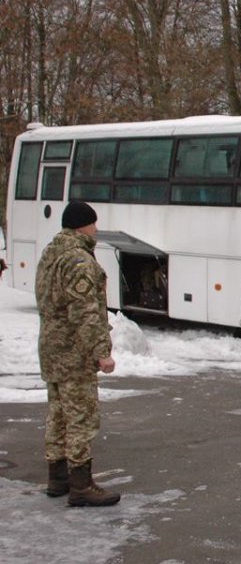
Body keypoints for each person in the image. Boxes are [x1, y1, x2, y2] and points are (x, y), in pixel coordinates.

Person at [35, 200, 120, 507]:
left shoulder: (51, 252)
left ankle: (57, 478)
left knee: (58, 415)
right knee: (81, 417)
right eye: (94, 224)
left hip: (51, 349)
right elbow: (85, 312)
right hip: (73, 353)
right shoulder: (79, 261)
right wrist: (101, 352)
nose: (96, 230)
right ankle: (81, 486)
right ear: (84, 225)